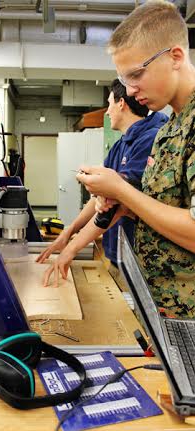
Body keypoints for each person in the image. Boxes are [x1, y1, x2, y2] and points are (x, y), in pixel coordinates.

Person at [77, 0, 195, 318]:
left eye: (136, 75)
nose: (129, 92)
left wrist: (121, 189)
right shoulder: (171, 128)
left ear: (175, 57)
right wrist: (124, 205)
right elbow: (168, 212)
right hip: (169, 313)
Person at [36, 79, 168, 287]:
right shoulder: (119, 146)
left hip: (144, 262)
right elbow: (99, 199)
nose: (107, 112)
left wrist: (71, 250)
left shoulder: (149, 139)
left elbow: (116, 205)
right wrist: (68, 233)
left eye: (109, 104)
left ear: (121, 103)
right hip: (119, 257)